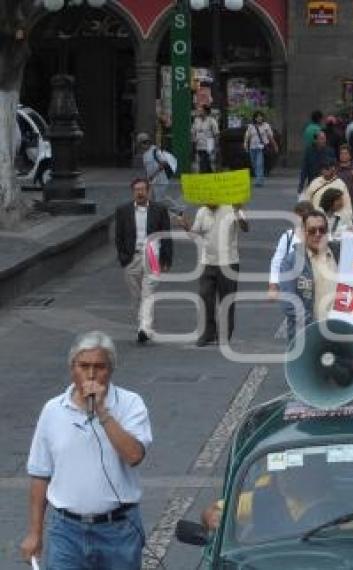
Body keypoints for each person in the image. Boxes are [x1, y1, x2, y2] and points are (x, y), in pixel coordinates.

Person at [21, 331, 152, 568]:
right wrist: (35, 532)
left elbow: (134, 455)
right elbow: (40, 474)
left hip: (118, 530)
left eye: (99, 367)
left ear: (111, 369)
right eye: (84, 366)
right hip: (66, 531)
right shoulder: (53, 410)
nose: (91, 374)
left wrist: (102, 412)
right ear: (72, 368)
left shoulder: (131, 404)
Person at [114, 178, 173, 343]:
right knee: (136, 296)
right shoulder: (123, 210)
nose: (139, 193)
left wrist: (167, 258)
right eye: (136, 190)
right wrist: (122, 256)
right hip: (132, 257)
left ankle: (145, 328)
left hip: (153, 256)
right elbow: (119, 236)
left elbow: (166, 236)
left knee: (149, 292)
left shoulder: (159, 210)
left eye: (142, 189)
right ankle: (143, 324)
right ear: (132, 192)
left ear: (148, 191)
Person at [183, 203, 250, 346]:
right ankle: (208, 333)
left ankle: (224, 335)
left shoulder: (232, 208)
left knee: (226, 300)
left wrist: (238, 212)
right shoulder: (201, 211)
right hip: (207, 262)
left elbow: (246, 228)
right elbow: (194, 234)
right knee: (205, 296)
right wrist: (186, 226)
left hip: (229, 262)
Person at [279, 210, 340, 345]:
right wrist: (315, 329)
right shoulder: (291, 262)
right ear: (303, 232)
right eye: (312, 230)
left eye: (322, 230)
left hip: (339, 336)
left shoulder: (341, 255)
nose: (317, 234)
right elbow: (290, 304)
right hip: (306, 338)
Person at [268, 200, 313, 300]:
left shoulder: (317, 236)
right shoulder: (288, 236)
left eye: (304, 217)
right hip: (291, 283)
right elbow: (277, 260)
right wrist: (273, 285)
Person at [303, 158, 353, 228]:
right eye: (323, 168)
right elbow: (306, 202)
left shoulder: (341, 184)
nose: (325, 170)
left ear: (334, 169)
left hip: (335, 222)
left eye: (328, 168)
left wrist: (347, 222)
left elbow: (347, 206)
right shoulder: (314, 182)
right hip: (316, 220)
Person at [244, 111, 277, 187]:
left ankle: (259, 181)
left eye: (261, 116)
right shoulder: (251, 126)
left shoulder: (266, 126)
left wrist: (275, 146)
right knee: (254, 164)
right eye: (258, 117)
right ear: (255, 118)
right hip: (252, 148)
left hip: (261, 148)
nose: (259, 118)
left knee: (259, 164)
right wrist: (245, 145)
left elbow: (270, 137)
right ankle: (259, 177)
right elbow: (247, 137)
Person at [138, 132, 172, 207]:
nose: (143, 145)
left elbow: (164, 163)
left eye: (145, 142)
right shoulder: (144, 154)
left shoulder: (155, 151)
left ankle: (177, 209)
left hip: (160, 180)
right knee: (152, 200)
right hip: (152, 182)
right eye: (142, 143)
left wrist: (153, 174)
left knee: (159, 201)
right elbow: (147, 169)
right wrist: (146, 179)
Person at [192, 105, 219, 172]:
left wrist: (216, 145)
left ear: (205, 111)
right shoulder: (196, 120)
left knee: (204, 162)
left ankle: (204, 175)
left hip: (208, 145)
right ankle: (209, 174)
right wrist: (193, 141)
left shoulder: (212, 121)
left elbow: (216, 134)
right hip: (199, 145)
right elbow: (193, 132)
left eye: (201, 110)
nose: (199, 112)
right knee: (205, 162)